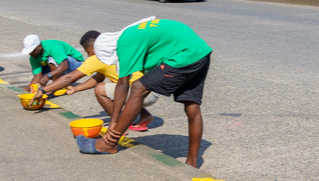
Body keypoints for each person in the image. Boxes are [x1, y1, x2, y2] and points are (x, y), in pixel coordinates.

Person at [77, 17, 211, 167]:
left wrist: (114, 122)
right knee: (192, 105)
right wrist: (115, 120)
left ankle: (109, 144)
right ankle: (191, 163)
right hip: (200, 51)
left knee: (138, 87)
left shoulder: (125, 43)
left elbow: (123, 84)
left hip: (184, 53)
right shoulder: (127, 36)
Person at [37, 30, 157, 129]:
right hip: (151, 88)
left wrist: (43, 90)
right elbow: (98, 78)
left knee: (101, 90)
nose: (88, 55)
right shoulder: (114, 49)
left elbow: (69, 78)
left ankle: (119, 126)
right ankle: (145, 116)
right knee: (116, 84)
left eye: (88, 51)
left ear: (94, 47)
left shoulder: (98, 57)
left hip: (143, 93)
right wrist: (75, 88)